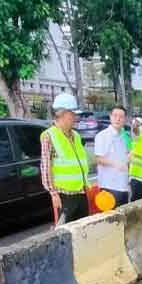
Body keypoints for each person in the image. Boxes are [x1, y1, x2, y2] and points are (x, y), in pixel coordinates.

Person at [40, 93, 91, 225]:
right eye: (73, 114)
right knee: (66, 235)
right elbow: (46, 168)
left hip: (81, 192)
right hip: (64, 196)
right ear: (62, 114)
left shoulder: (76, 135)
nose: (76, 117)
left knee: (83, 231)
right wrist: (53, 193)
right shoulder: (49, 136)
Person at [94, 104, 131, 208]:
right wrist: (115, 163)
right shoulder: (102, 136)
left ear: (125, 119)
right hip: (108, 186)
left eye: (121, 117)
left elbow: (130, 154)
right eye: (115, 116)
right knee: (110, 221)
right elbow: (98, 159)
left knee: (122, 219)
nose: (118, 119)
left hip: (123, 185)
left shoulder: (126, 136)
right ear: (110, 117)